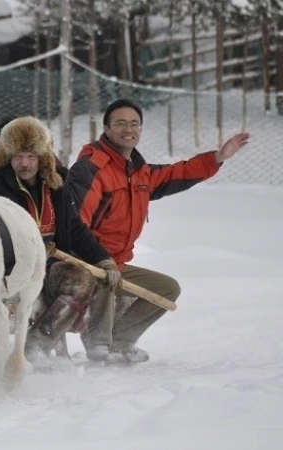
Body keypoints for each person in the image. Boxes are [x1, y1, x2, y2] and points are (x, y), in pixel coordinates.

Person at [66, 98, 251, 363]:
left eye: (134, 124)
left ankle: (121, 341)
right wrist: (99, 260)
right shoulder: (91, 169)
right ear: (106, 129)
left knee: (167, 289)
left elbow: (177, 173)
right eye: (120, 123)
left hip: (116, 264)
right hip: (86, 263)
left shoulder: (139, 173)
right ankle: (99, 345)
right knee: (108, 276)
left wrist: (218, 158)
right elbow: (76, 224)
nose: (128, 129)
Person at [0, 116, 121, 361]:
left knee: (81, 280)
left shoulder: (55, 186)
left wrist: (103, 259)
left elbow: (74, 228)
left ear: (42, 157)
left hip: (49, 268)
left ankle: (37, 347)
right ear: (6, 156)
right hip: (9, 271)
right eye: (18, 156)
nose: (25, 163)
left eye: (31, 156)